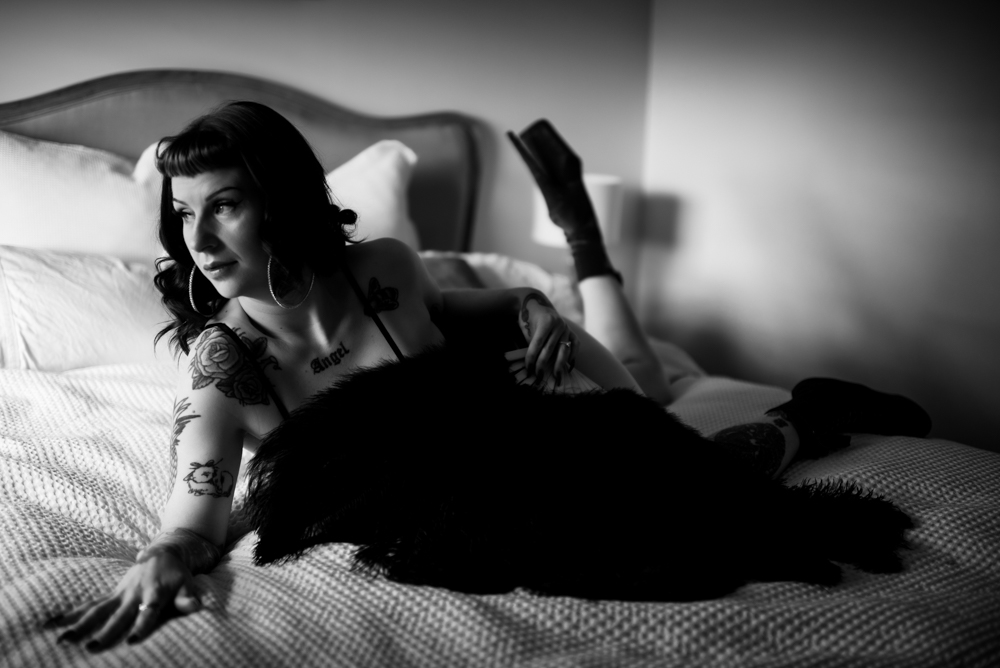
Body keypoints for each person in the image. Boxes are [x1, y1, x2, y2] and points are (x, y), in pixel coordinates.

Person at [48, 105, 930, 649]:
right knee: (666, 510)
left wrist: (532, 308)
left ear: (278, 199)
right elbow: (194, 507)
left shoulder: (384, 267)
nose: (198, 243)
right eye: (186, 217)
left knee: (669, 444)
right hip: (453, 497)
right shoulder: (225, 364)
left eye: (225, 206)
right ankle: (810, 418)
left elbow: (477, 307)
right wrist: (166, 558)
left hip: (513, 418)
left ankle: (600, 275)